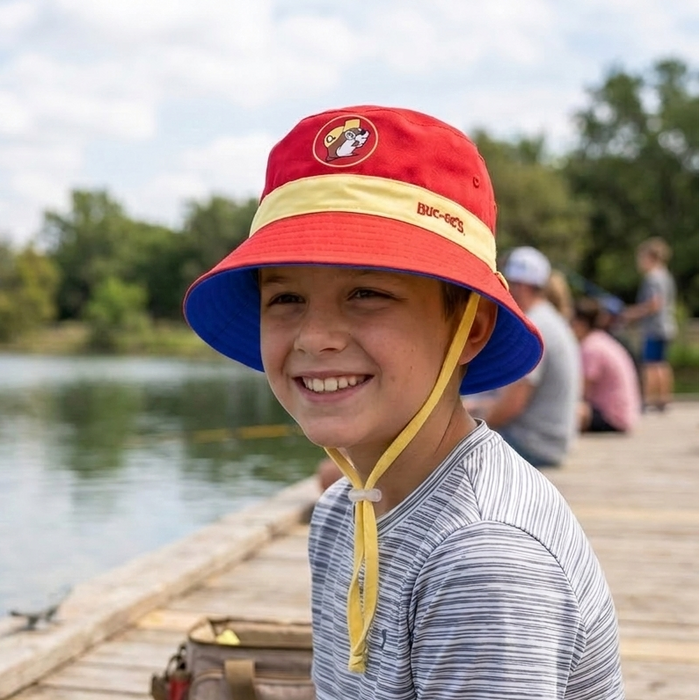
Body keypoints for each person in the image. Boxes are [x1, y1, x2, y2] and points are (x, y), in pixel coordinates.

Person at [183, 106, 623, 699]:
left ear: (468, 328)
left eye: (367, 293)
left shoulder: (483, 560)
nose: (316, 337)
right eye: (285, 297)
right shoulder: (344, 509)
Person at [479, 246, 582, 468]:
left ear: (520, 286)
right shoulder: (550, 319)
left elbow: (512, 405)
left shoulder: (535, 328)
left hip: (534, 445)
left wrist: (468, 428)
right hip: (552, 441)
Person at [621, 237, 677, 411]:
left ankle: (647, 400)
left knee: (650, 365)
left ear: (651, 257)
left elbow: (654, 304)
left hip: (655, 327)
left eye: (642, 257)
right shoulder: (665, 275)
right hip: (667, 326)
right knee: (662, 363)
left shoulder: (653, 278)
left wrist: (632, 313)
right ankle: (663, 399)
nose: (640, 262)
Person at [572, 297, 642, 433]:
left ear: (581, 324)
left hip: (612, 416)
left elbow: (581, 391)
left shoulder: (590, 348)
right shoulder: (601, 340)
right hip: (626, 413)